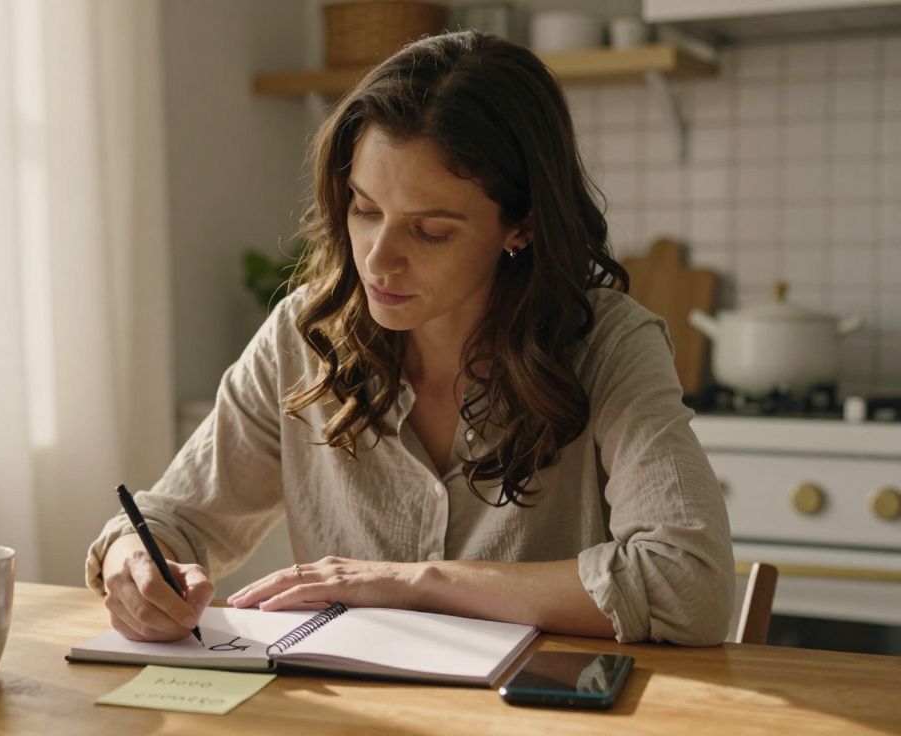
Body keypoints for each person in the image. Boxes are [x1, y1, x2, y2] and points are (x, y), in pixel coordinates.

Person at [85, 31, 734, 646]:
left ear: (523, 227)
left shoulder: (609, 344)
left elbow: (690, 586)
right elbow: (176, 521)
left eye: (431, 231)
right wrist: (135, 559)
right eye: (365, 210)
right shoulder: (303, 337)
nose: (377, 260)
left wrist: (414, 583)